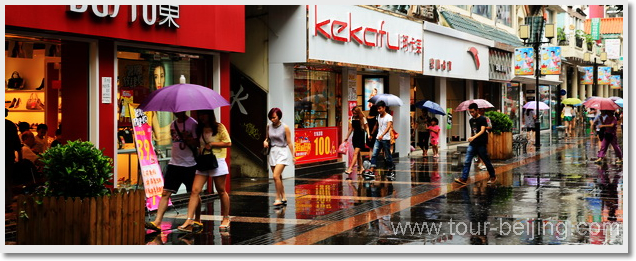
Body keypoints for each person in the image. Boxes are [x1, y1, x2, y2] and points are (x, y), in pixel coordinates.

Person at [178, 110, 232, 232]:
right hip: (203, 162)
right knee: (195, 190)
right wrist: (189, 139)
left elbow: (228, 143)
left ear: (210, 115)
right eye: (200, 115)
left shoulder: (219, 127)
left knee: (221, 191)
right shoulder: (199, 128)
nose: (202, 117)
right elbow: (198, 143)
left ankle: (226, 218)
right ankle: (189, 219)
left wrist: (212, 144)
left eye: (204, 114)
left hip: (217, 161)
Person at [145, 111, 199, 232]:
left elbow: (198, 143)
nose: (176, 112)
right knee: (165, 193)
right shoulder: (173, 124)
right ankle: (157, 222)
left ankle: (197, 218)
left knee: (194, 194)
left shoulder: (193, 124)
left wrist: (188, 139)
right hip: (174, 164)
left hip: (189, 164)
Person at [455, 103, 496, 185]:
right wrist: (471, 138)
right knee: (467, 161)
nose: (472, 113)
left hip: (481, 144)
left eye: (473, 112)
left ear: (477, 110)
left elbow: (482, 130)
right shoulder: (471, 120)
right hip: (473, 144)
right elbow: (473, 131)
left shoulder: (482, 119)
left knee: (486, 161)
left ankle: (493, 176)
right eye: (470, 112)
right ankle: (464, 179)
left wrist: (473, 138)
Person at [263, 108, 295, 206]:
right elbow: (267, 138)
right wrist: (265, 142)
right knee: (278, 177)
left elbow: (289, 142)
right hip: (272, 152)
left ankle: (278, 198)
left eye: (274, 117)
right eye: (271, 118)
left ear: (279, 116)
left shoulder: (285, 127)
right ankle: (284, 196)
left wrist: (293, 155)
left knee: (275, 176)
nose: (272, 120)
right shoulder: (268, 126)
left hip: (282, 151)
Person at [363, 101, 395, 181]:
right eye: (378, 109)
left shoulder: (389, 117)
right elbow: (376, 125)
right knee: (374, 154)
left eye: (380, 108)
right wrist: (372, 134)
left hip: (385, 139)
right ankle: (372, 170)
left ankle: (390, 170)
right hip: (378, 138)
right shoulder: (378, 116)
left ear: (384, 108)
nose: (378, 110)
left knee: (388, 156)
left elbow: (388, 127)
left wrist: (382, 135)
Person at [344, 106, 369, 175]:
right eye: (353, 113)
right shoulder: (352, 118)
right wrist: (347, 136)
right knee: (358, 154)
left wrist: (369, 135)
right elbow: (351, 129)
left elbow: (366, 127)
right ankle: (361, 167)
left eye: (355, 113)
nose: (354, 114)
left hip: (361, 136)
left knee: (355, 153)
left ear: (358, 113)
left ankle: (350, 168)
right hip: (355, 137)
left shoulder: (362, 118)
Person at [6, 109, 22, 212]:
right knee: (6, 180)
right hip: (8, 156)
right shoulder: (10, 125)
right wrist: (20, 157)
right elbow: (17, 144)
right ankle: (7, 203)